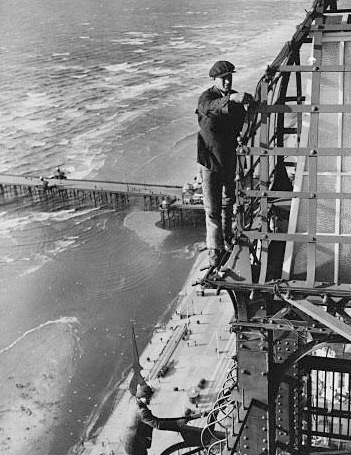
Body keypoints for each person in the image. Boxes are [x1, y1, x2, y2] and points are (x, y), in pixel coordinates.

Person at [196, 60, 252, 267]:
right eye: (224, 78)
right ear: (214, 80)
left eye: (230, 78)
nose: (228, 81)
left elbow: (242, 120)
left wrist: (249, 104)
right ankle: (214, 251)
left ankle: (227, 239)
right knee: (212, 208)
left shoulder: (233, 97)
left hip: (228, 158)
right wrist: (232, 99)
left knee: (228, 202)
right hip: (209, 161)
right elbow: (208, 107)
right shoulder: (207, 97)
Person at [122, 384, 188, 455]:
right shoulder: (142, 412)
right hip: (134, 444)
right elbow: (158, 424)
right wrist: (178, 425)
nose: (149, 399)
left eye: (149, 397)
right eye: (147, 397)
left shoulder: (135, 402)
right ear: (140, 397)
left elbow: (156, 420)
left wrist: (178, 421)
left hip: (130, 439)